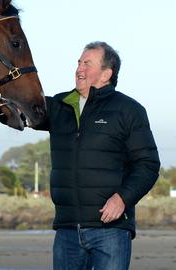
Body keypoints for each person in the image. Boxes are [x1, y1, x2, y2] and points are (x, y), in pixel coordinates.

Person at [40, 41, 160, 269]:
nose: (79, 69)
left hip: (111, 231)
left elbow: (148, 165)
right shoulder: (60, 105)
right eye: (78, 62)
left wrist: (122, 198)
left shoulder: (129, 110)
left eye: (87, 63)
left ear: (106, 74)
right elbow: (14, 111)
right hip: (67, 232)